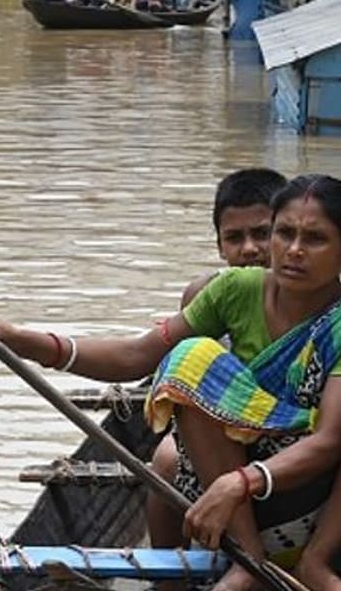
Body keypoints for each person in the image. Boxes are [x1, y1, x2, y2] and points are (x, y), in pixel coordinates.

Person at [0, 174, 341, 591]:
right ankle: (249, 564)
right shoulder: (234, 290)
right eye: (285, 234)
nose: (292, 251)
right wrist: (20, 338)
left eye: (316, 239)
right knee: (189, 358)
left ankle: (317, 565)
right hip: (243, 502)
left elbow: (329, 442)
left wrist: (237, 484)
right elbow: (137, 354)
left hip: (316, 497)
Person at [142, 168, 288, 558]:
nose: (250, 249)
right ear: (220, 246)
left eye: (262, 233)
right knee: (166, 457)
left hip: (294, 432)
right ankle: (170, 580)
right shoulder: (208, 295)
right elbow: (168, 368)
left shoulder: (316, 295)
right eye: (235, 238)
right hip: (220, 431)